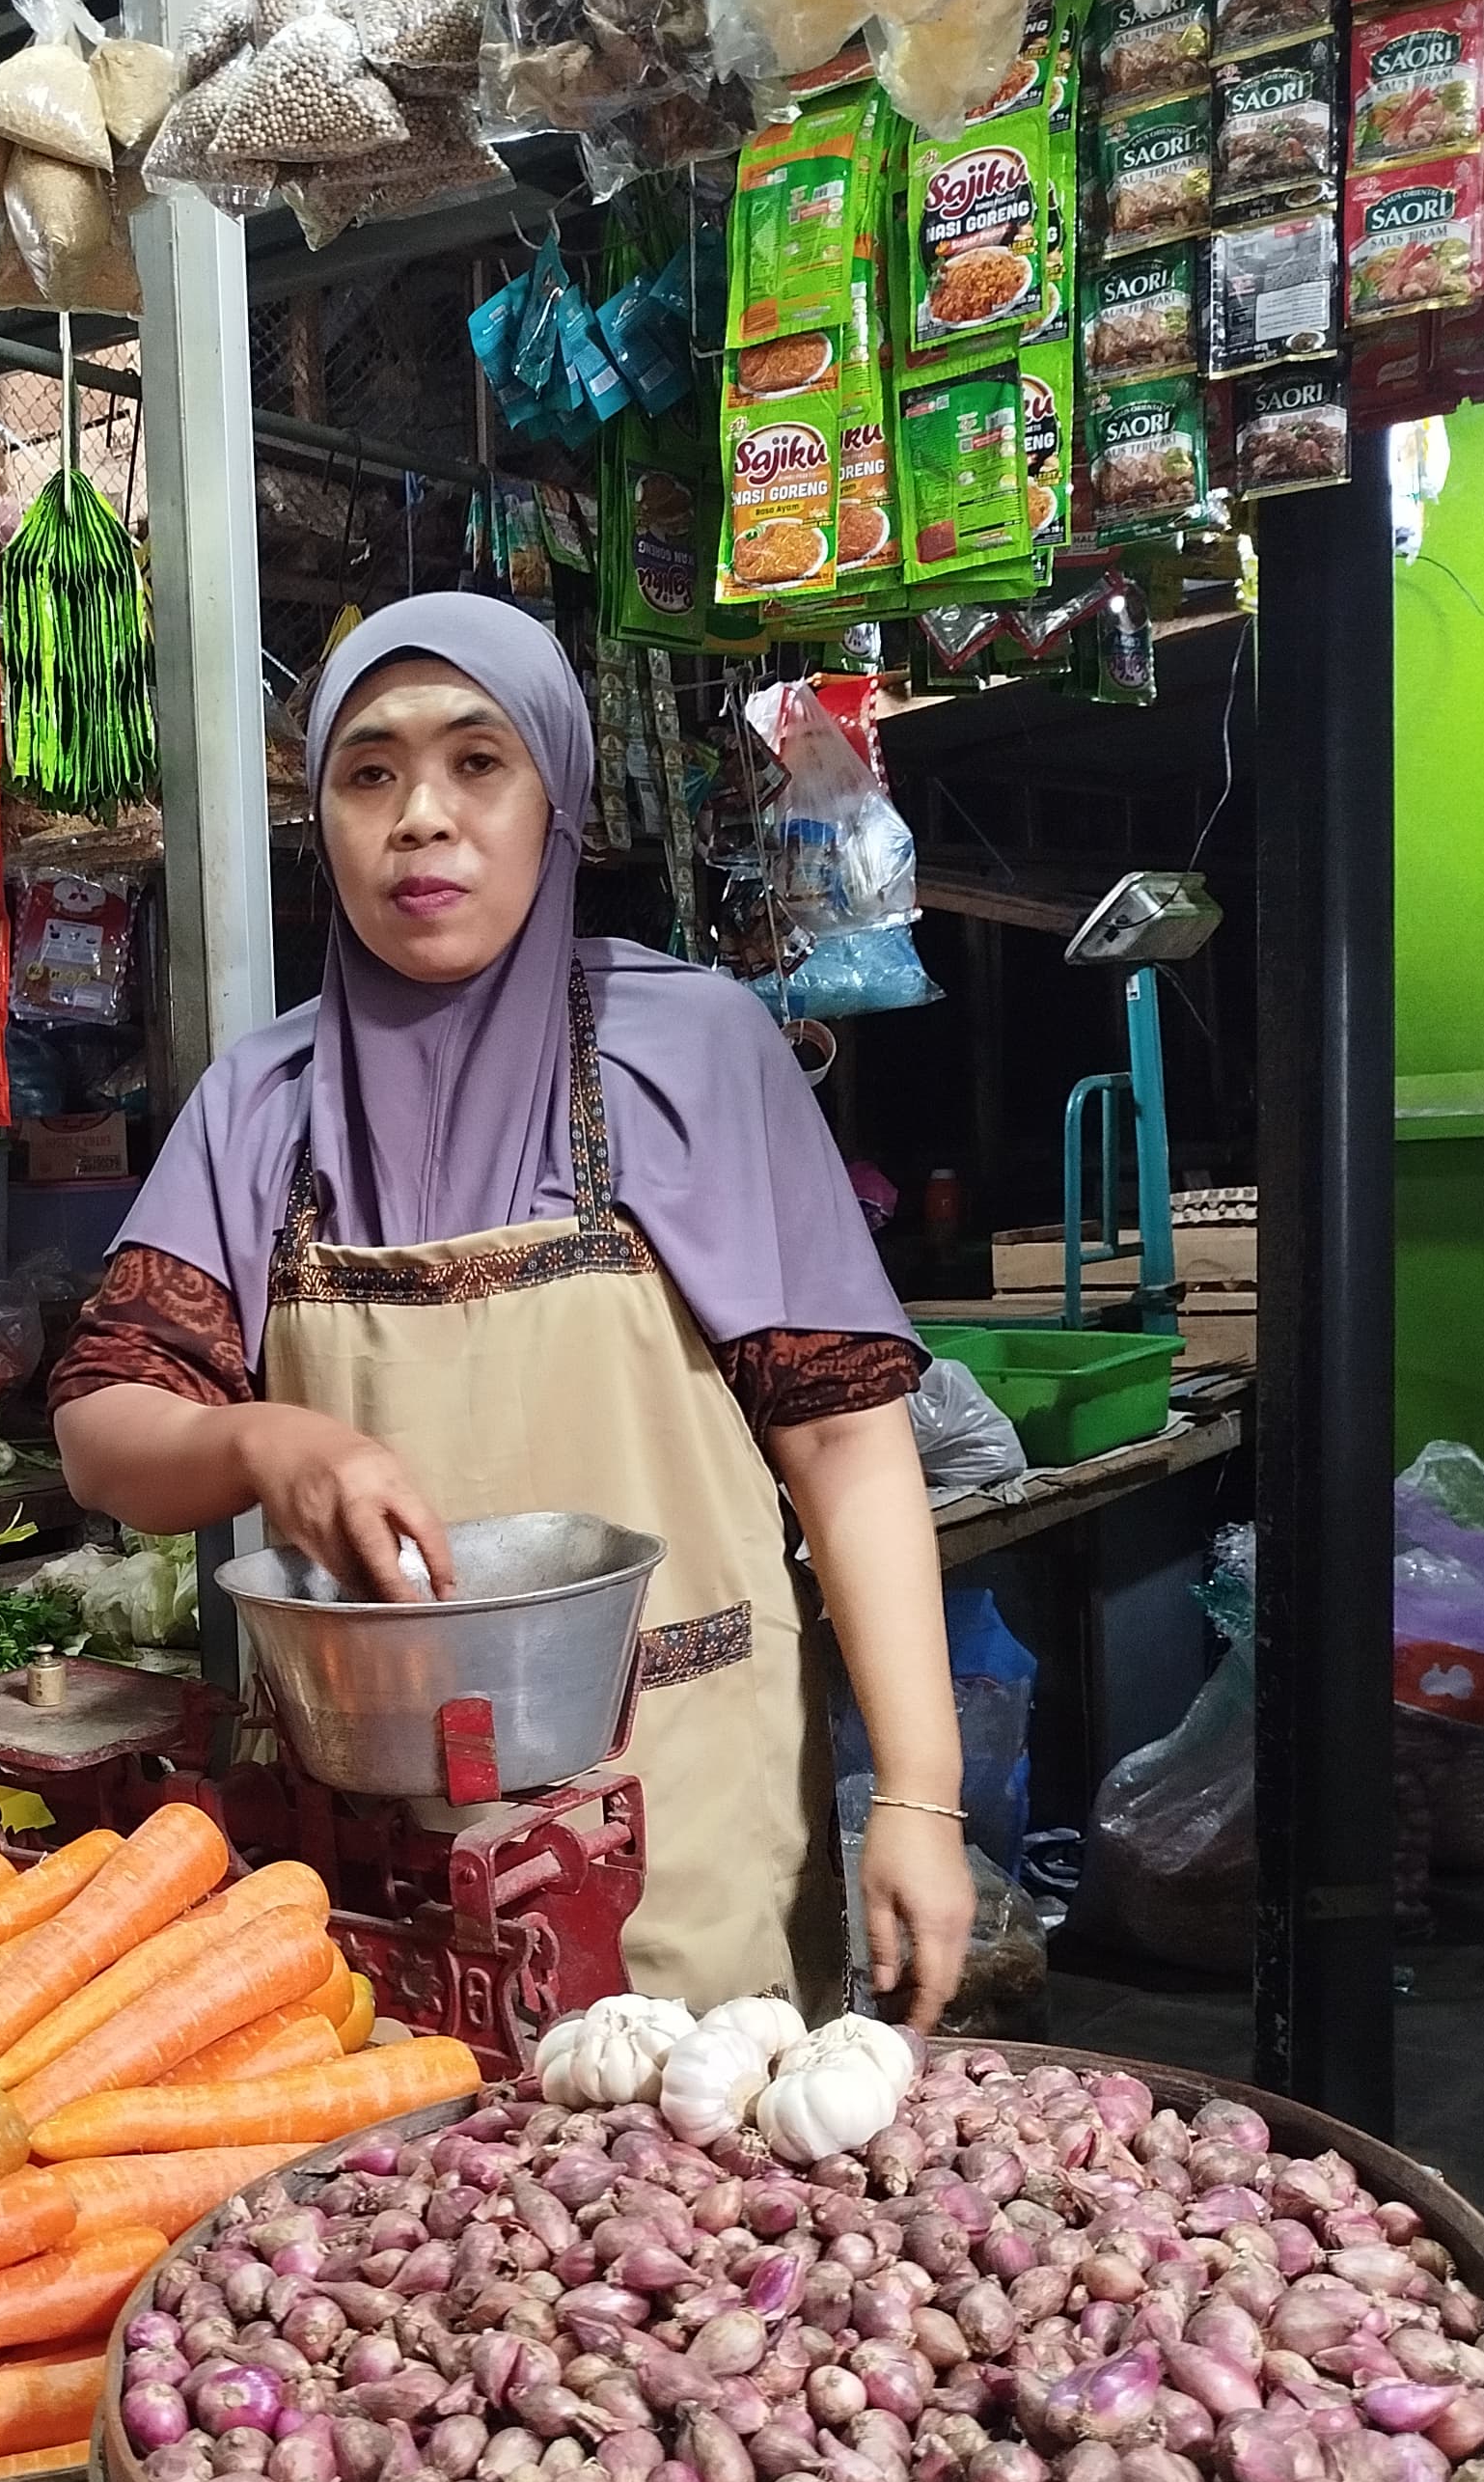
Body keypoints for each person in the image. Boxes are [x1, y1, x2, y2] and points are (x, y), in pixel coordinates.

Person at [50, 595, 976, 2026]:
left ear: (560, 798)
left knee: (692, 2212)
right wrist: (264, 1447)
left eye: (479, 763)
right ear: (326, 819)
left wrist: (920, 1795)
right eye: (370, 773)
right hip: (361, 1853)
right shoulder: (262, 1104)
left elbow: (847, 1447)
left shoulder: (699, 1053)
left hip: (674, 1819)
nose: (423, 817)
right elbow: (106, 1430)